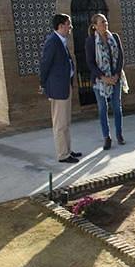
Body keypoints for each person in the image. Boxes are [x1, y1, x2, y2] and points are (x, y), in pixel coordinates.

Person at [39, 14, 82, 163]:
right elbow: (45, 64)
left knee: (66, 122)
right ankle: (63, 155)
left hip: (64, 86)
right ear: (61, 26)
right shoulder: (53, 41)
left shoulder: (61, 41)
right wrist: (43, 83)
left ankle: (68, 150)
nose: (70, 27)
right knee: (60, 123)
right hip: (58, 88)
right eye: (68, 24)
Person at [85, 13, 126, 150]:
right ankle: (106, 137)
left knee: (117, 107)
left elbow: (120, 57)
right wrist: (104, 77)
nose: (105, 24)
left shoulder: (114, 37)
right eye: (102, 22)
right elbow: (90, 63)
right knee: (103, 108)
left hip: (115, 78)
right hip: (100, 81)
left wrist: (116, 75)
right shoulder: (90, 41)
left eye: (106, 21)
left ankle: (119, 135)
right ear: (95, 26)